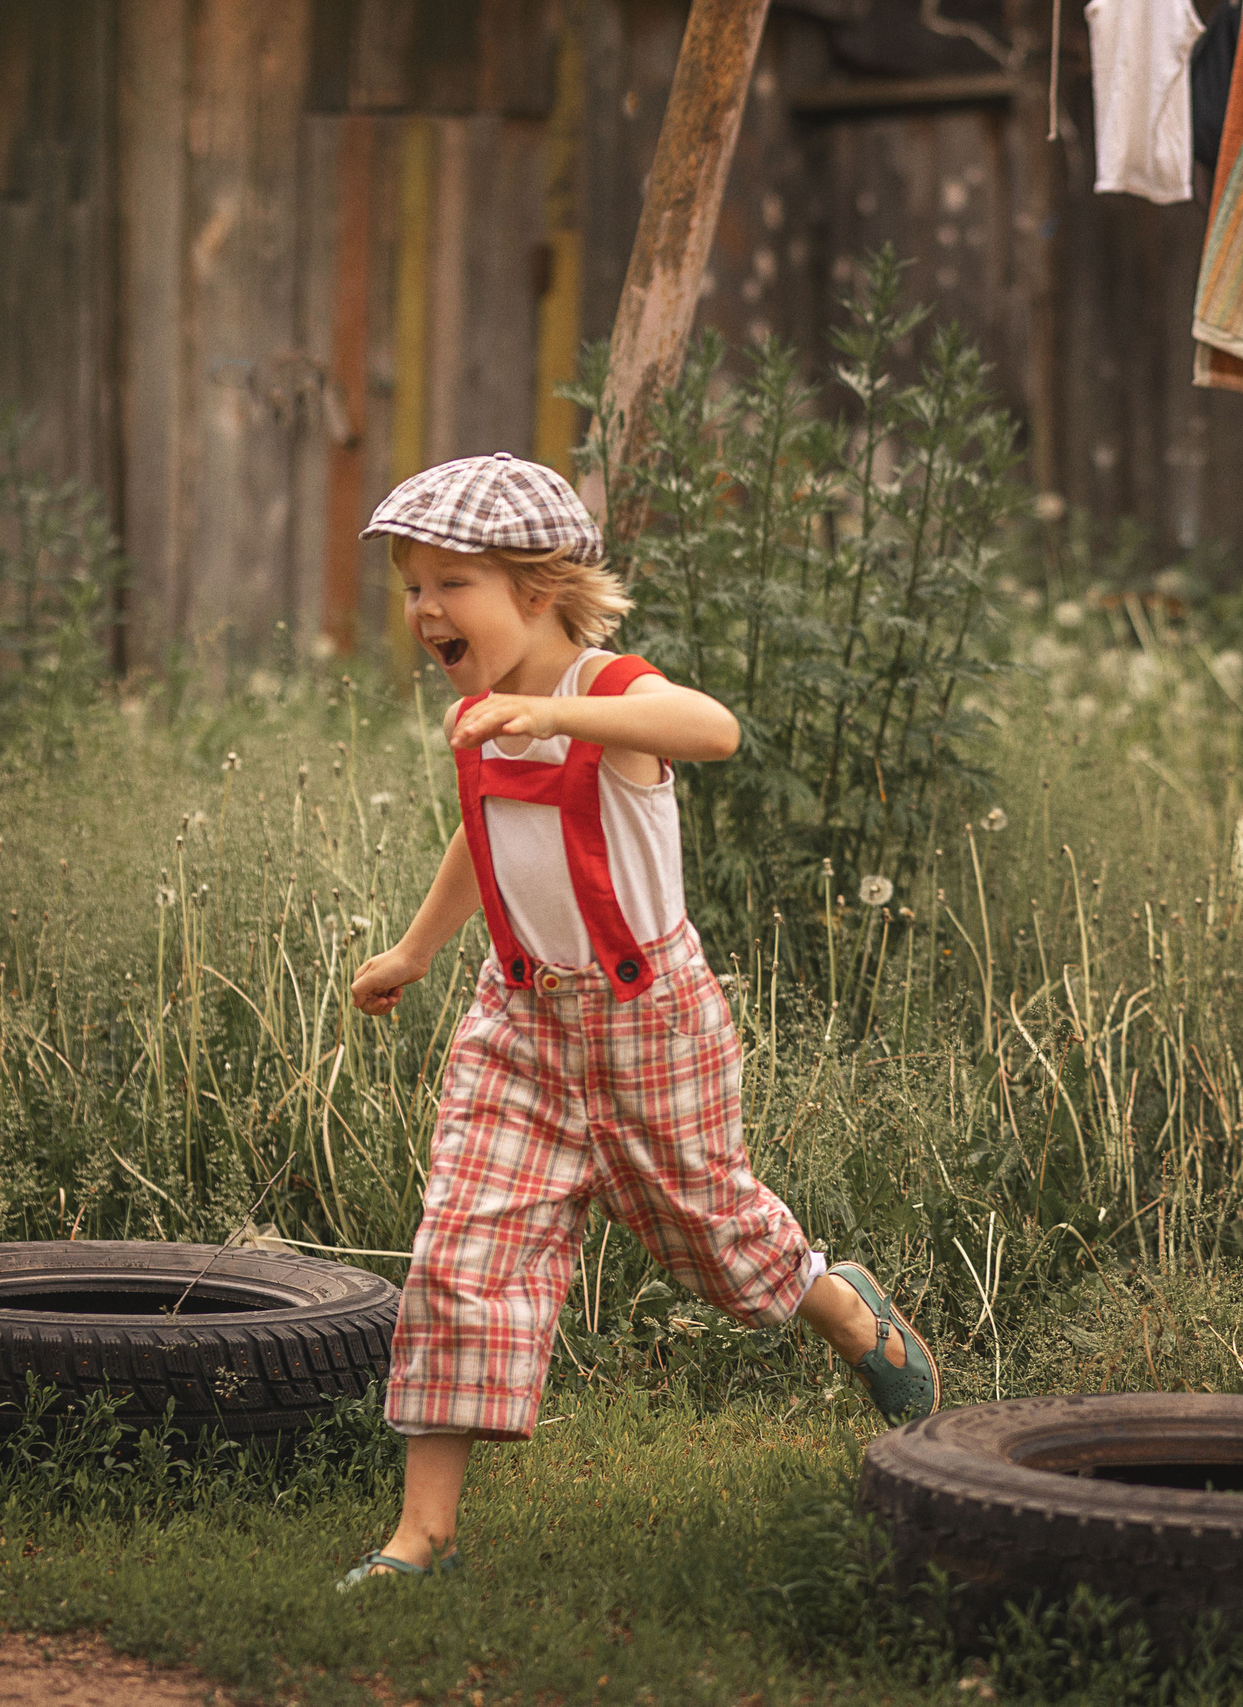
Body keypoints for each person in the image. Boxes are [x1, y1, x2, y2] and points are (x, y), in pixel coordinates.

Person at [337, 453, 935, 1589]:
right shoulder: (486, 715)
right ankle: (423, 1541)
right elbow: (486, 833)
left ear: (539, 586)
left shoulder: (614, 701)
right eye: (412, 587)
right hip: (518, 1024)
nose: (424, 612)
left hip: (647, 1021)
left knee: (713, 1240)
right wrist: (416, 949)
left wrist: (555, 708)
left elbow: (712, 729)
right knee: (462, 1253)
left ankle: (849, 1309)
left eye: (450, 585)